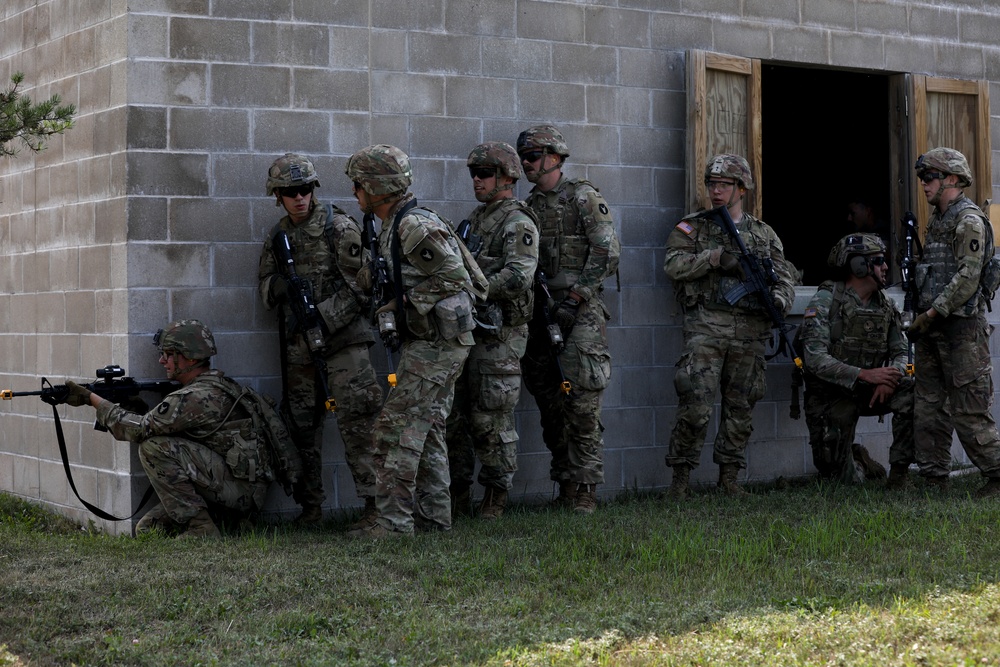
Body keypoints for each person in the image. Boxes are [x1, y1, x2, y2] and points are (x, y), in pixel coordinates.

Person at [345, 144, 482, 537]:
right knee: (429, 427)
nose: (355, 193)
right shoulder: (391, 224)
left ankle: (393, 522)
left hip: (438, 343)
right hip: (434, 340)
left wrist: (404, 303)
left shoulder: (413, 225)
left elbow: (457, 278)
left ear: (375, 186)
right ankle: (434, 519)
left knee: (395, 427)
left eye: (358, 185)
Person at [64, 320, 296, 538]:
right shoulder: (219, 385)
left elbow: (141, 430)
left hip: (238, 491)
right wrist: (132, 402)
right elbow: (160, 425)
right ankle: (225, 520)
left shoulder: (193, 398)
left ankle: (201, 529)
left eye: (167, 355)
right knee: (148, 529)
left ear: (189, 359)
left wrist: (92, 399)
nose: (162, 361)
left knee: (153, 448)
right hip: (240, 488)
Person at [257, 153, 383, 526]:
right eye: (290, 192)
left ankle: (376, 508)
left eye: (305, 190)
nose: (299, 198)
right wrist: (279, 287)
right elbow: (264, 285)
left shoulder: (339, 228)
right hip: (300, 349)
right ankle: (310, 508)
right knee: (301, 428)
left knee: (359, 425)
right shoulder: (279, 236)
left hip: (344, 344)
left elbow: (362, 288)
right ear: (277, 196)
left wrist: (322, 316)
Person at [663, 153, 794, 498]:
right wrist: (715, 258)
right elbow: (673, 265)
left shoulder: (763, 234)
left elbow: (785, 277)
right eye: (712, 184)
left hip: (750, 331)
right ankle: (680, 481)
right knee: (695, 403)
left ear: (742, 189)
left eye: (724, 185)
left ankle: (730, 479)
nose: (716, 191)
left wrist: (779, 300)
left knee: (741, 407)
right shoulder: (693, 227)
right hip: (707, 325)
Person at [516, 125, 620, 514]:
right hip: (541, 311)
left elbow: (607, 252)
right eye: (522, 157)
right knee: (549, 401)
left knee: (582, 402)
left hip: (581, 311)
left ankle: (587, 489)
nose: (526, 163)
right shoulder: (527, 207)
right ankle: (566, 482)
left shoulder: (583, 197)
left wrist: (576, 298)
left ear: (555, 157)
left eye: (532, 155)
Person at [446, 141, 539, 520]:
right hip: (470, 332)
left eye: (483, 174)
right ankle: (458, 494)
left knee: (491, 419)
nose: (476, 181)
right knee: (457, 419)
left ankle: (496, 496)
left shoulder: (518, 221)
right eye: (473, 174)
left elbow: (519, 275)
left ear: (506, 177)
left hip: (500, 336)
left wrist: (475, 287)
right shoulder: (474, 219)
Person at [907, 147, 1000, 495]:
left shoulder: (968, 220)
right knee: (929, 406)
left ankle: (997, 473)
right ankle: (934, 477)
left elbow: (967, 278)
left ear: (952, 179)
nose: (924, 184)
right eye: (922, 178)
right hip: (933, 328)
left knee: (969, 410)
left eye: (929, 177)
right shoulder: (939, 221)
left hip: (960, 329)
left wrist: (930, 314)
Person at [799, 233, 914, 486]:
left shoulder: (885, 306)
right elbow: (814, 359)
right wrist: (865, 374)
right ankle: (857, 460)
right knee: (839, 480)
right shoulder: (827, 300)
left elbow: (902, 352)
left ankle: (899, 475)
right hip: (831, 397)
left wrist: (891, 378)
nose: (885, 267)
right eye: (879, 261)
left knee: (915, 394)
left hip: (870, 390)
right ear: (858, 265)